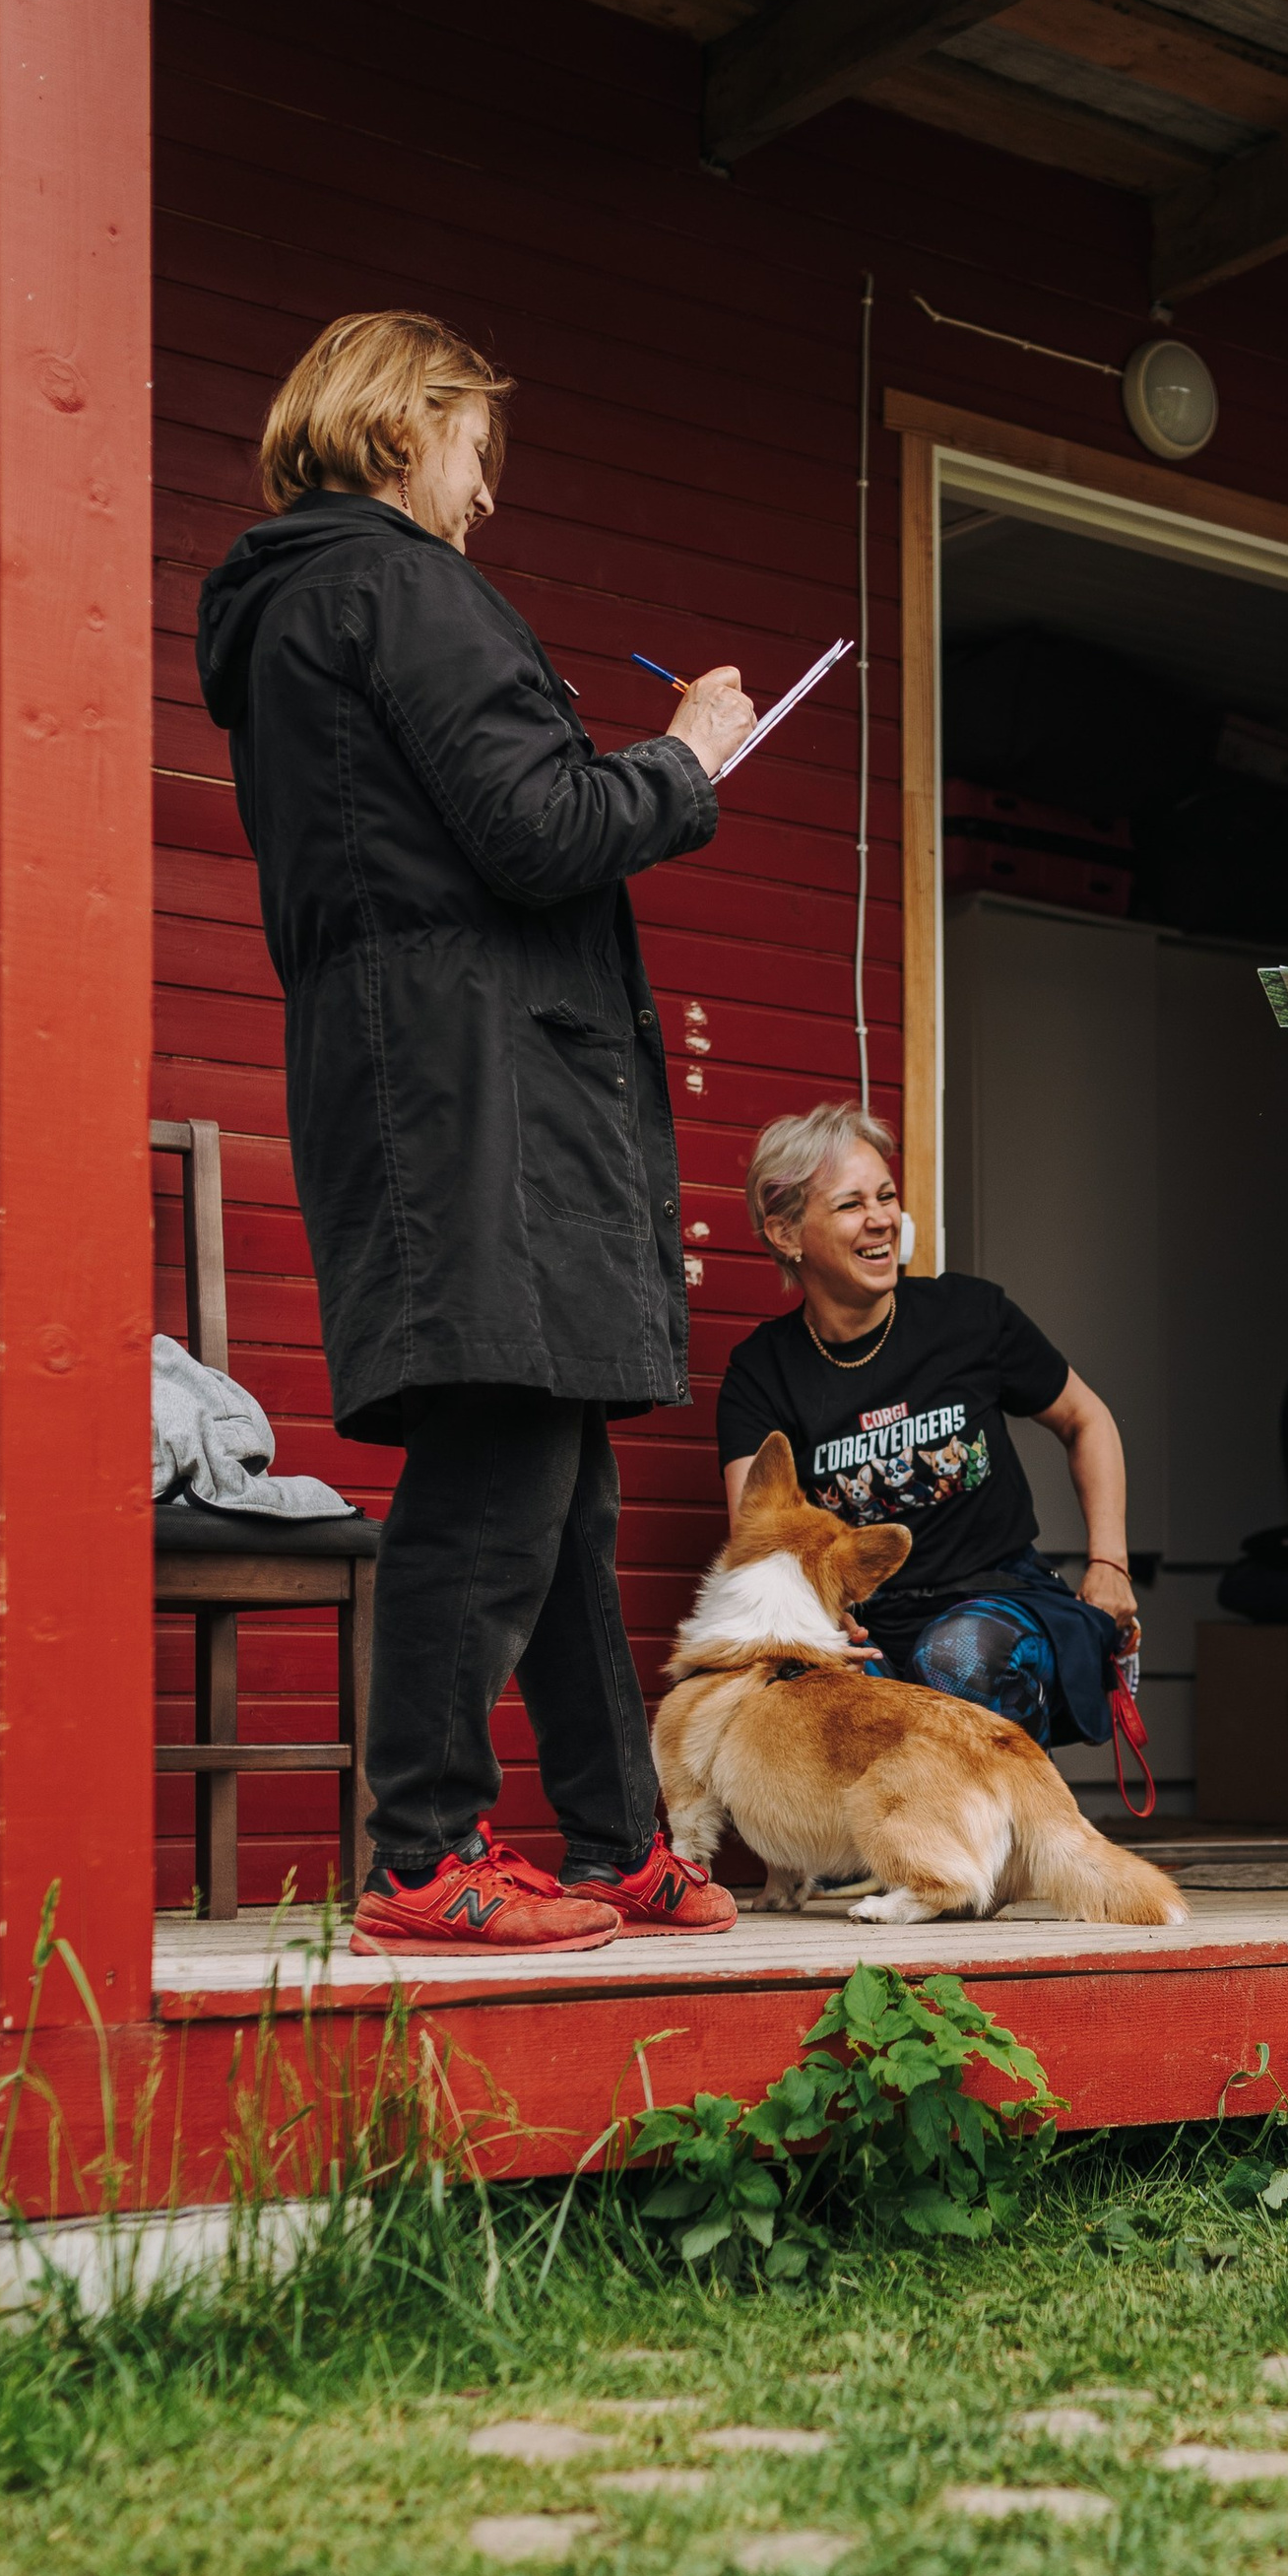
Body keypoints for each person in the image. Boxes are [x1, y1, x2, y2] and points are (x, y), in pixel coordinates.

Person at [197, 308, 751, 1953]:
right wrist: (687, 757)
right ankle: (424, 1857)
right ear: (395, 434)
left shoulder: (303, 607)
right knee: (498, 1457)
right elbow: (536, 825)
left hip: (423, 1065)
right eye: (471, 449)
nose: (484, 494)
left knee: (556, 1472)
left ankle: (615, 1840)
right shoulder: (399, 584)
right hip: (480, 1079)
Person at [712, 1107, 1138, 1753]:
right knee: (826, 1702)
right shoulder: (763, 1373)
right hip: (870, 1621)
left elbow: (1087, 1418)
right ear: (786, 1232)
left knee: (955, 1658)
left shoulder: (967, 1317)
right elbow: (760, 1540)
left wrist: (1110, 1563)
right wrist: (816, 1620)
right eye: (852, 1204)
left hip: (999, 1603)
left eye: (885, 1196)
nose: (882, 1217)